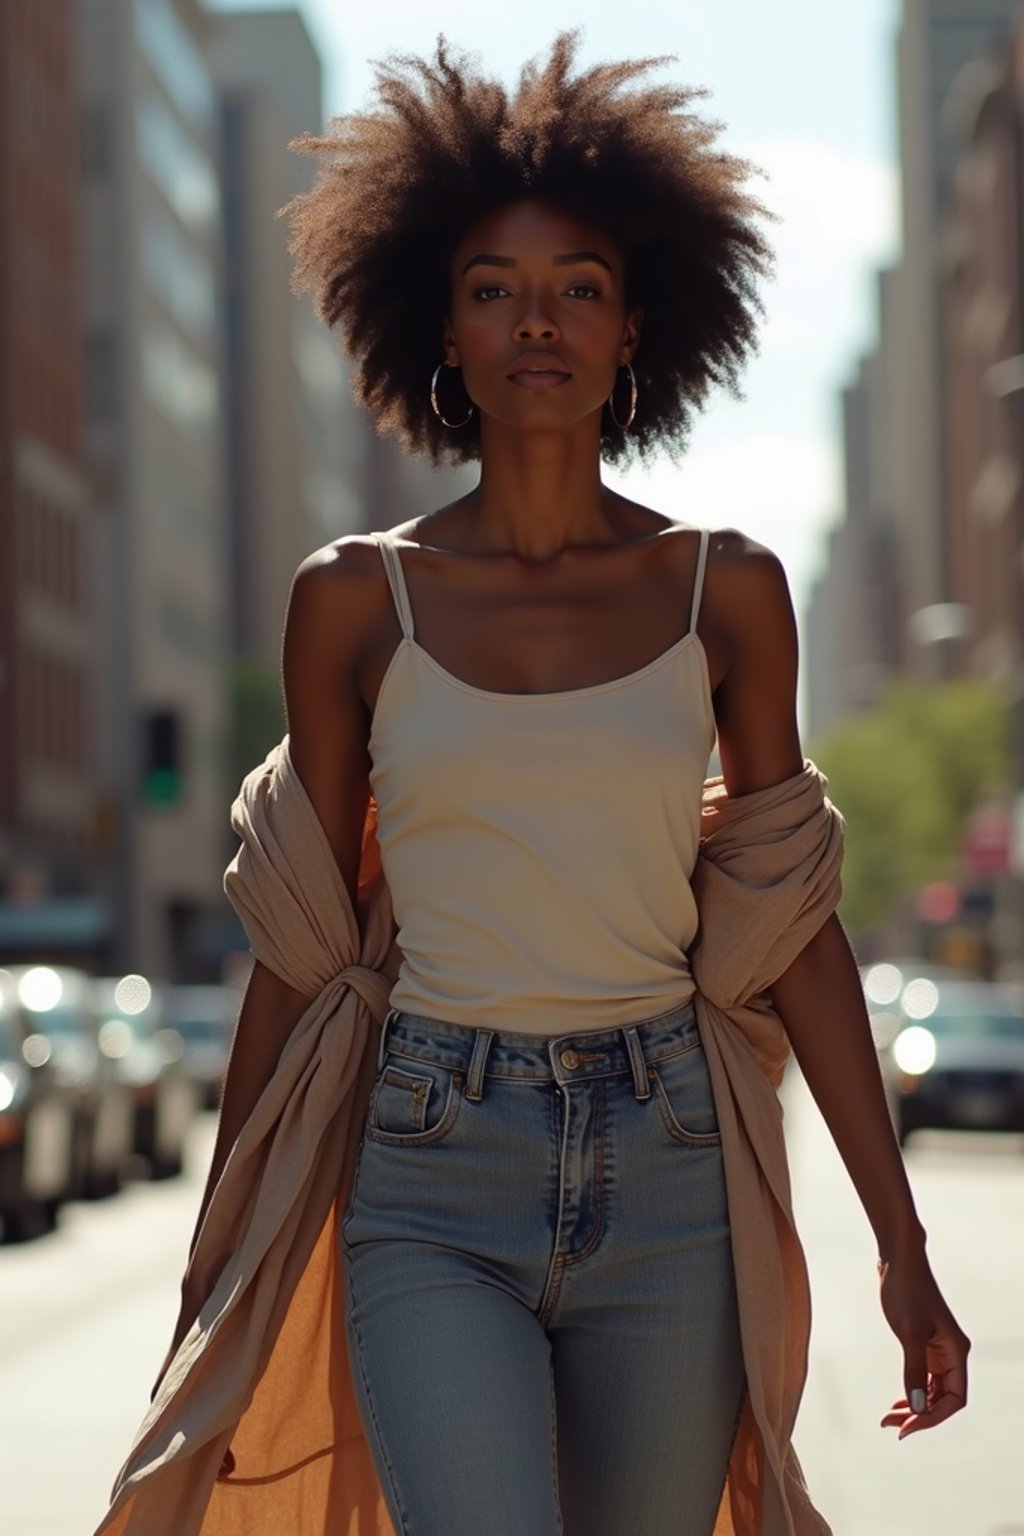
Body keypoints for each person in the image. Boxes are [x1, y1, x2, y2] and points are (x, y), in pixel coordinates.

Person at [113, 32, 968, 1536]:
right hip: (432, 1160)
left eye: (578, 287)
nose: (539, 323)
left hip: (671, 1159)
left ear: (637, 327)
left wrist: (901, 1245)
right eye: (495, 291)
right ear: (439, 330)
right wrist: (215, 1252)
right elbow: (298, 953)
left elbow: (795, 934)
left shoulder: (728, 593)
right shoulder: (355, 601)